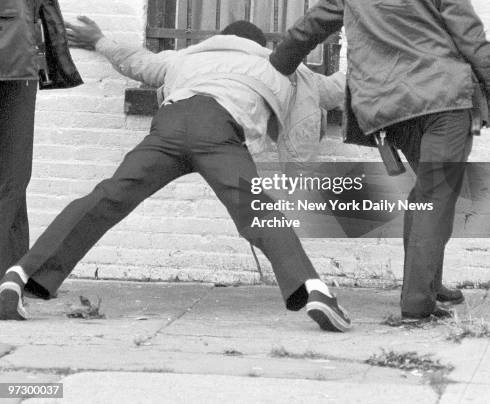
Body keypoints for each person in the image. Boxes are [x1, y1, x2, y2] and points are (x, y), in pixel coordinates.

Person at [0, 17, 351, 332]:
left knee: (106, 198)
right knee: (258, 210)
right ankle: (313, 290)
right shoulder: (280, 64)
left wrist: (99, 39)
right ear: (261, 45)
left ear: (219, 37)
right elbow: (336, 90)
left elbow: (136, 62)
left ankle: (20, 274)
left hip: (169, 125)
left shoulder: (185, 57)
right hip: (219, 129)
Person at [268, 0, 490, 320]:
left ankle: (427, 283)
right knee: (435, 198)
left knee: (426, 196)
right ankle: (417, 304)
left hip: (387, 112)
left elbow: (306, 29)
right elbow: (473, 43)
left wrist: (276, 70)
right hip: (444, 103)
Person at [0, 0, 82, 277]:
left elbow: (37, 2)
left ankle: (13, 273)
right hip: (6, 61)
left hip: (20, 64)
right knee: (7, 176)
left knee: (16, 174)